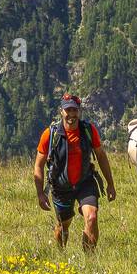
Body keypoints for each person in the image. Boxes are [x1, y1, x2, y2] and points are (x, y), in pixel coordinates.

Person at [34, 92, 116, 251]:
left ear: (79, 111)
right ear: (61, 112)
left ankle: (90, 261)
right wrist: (40, 193)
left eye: (74, 110)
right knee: (63, 226)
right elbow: (38, 165)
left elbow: (101, 156)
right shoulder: (50, 134)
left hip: (85, 182)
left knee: (92, 217)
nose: (71, 114)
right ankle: (61, 254)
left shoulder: (88, 130)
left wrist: (110, 184)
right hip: (61, 186)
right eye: (68, 110)